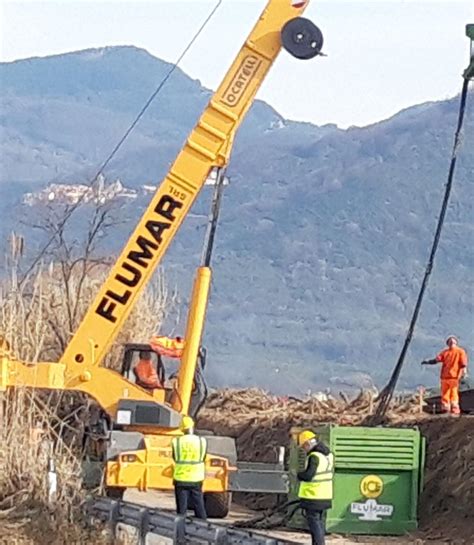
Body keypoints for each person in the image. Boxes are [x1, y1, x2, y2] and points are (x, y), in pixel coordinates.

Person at [297, 430, 334, 545]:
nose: (304, 449)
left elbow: (309, 475)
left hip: (314, 495)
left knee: (314, 523)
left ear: (308, 443)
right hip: (325, 495)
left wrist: (298, 474)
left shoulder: (314, 457)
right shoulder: (328, 455)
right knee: (319, 522)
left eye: (304, 447)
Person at [171, 415, 207, 519]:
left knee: (181, 509)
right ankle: (204, 527)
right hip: (196, 478)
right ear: (192, 427)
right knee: (199, 505)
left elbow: (175, 457)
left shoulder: (176, 442)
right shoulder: (201, 441)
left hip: (180, 478)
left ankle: (181, 530)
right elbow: (202, 457)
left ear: (182, 429)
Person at [422, 335, 468, 415]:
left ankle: (449, 409)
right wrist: (464, 372)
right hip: (452, 377)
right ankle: (452, 409)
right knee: (451, 394)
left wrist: (427, 362)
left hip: (449, 377)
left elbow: (436, 360)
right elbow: (463, 364)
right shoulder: (460, 351)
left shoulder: (447, 352)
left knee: (447, 394)